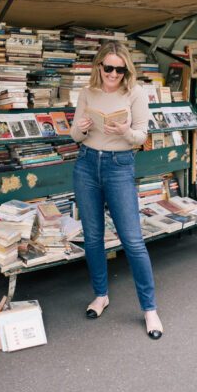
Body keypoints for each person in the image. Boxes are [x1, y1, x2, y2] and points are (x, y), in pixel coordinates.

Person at [70, 41, 163, 340]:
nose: (113, 74)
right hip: (86, 164)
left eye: (119, 69)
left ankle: (150, 309)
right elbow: (74, 135)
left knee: (133, 241)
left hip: (119, 165)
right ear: (99, 66)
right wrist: (83, 127)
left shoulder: (135, 93)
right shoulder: (87, 92)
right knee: (93, 237)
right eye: (108, 68)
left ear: (126, 70)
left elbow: (141, 136)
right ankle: (101, 295)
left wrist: (124, 131)